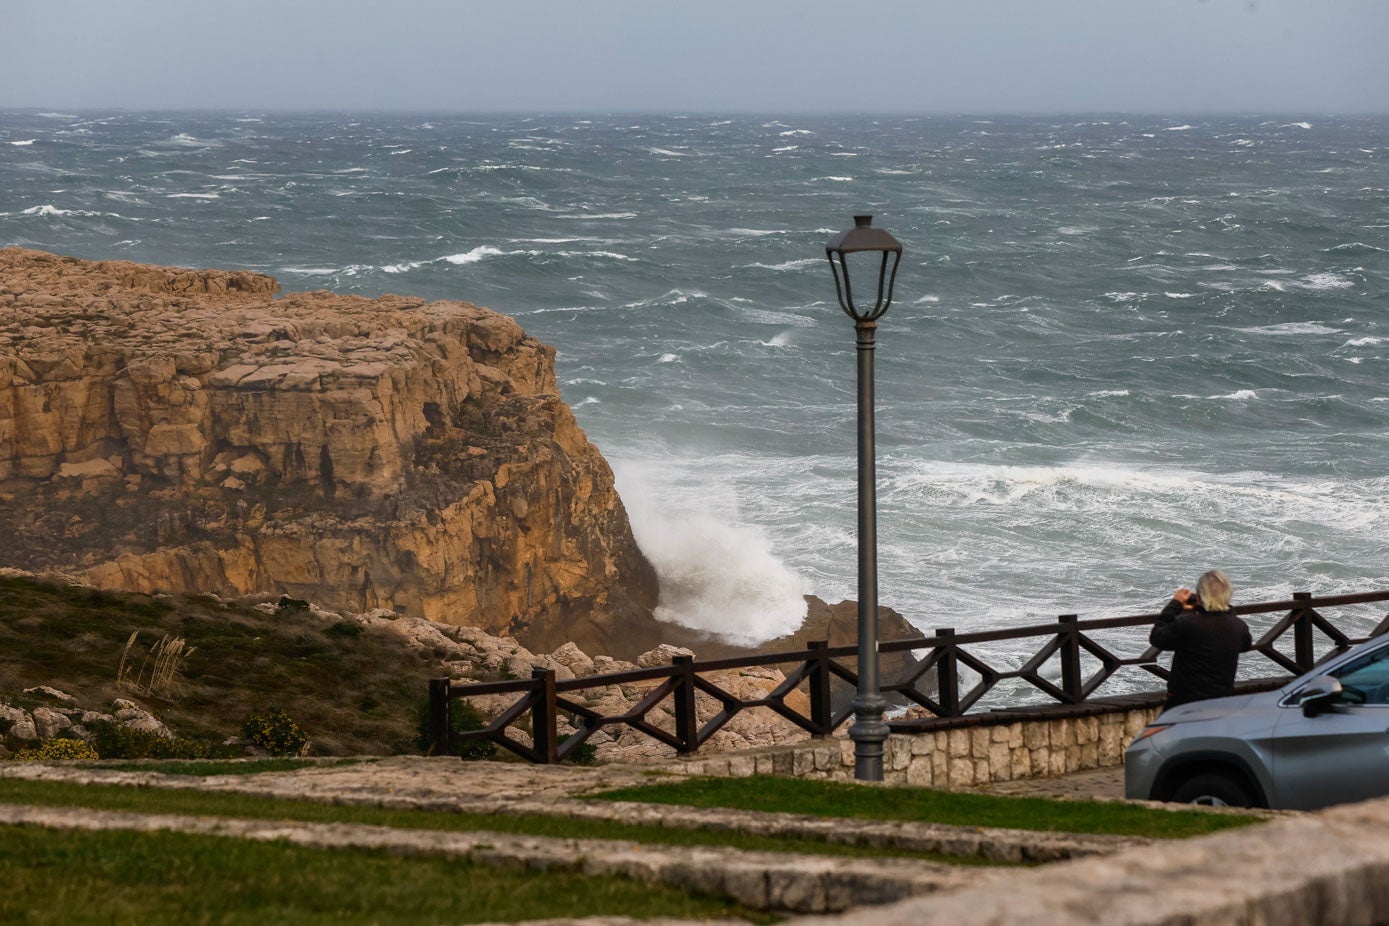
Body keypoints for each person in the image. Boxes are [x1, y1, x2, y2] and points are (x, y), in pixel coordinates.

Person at [1150, 570, 1252, 710]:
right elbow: (1246, 645)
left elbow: (1157, 637)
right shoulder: (1238, 626)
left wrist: (1175, 604)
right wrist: (1225, 611)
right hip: (1221, 702)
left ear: (1199, 596)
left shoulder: (1187, 624)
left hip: (1184, 704)